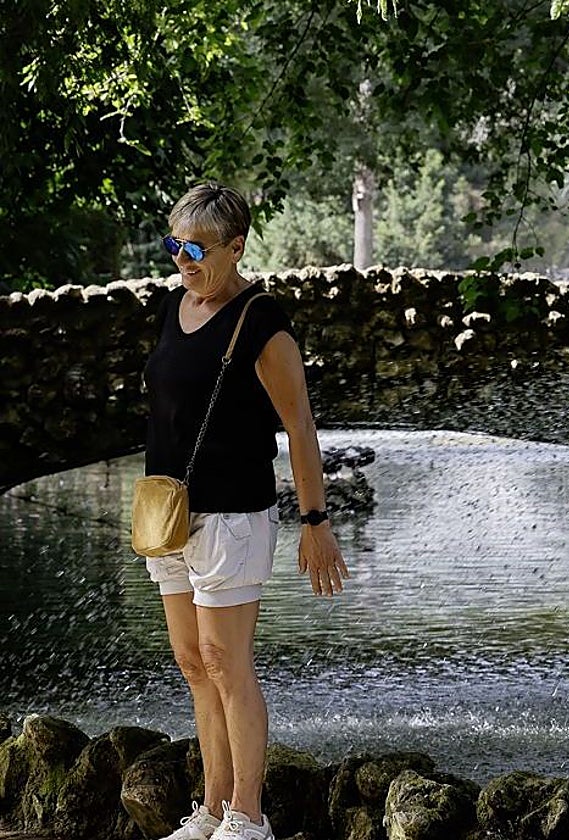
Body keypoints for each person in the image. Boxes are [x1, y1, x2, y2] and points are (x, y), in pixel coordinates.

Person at [140, 182, 350, 840]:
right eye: (175, 244)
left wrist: (315, 523)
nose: (183, 258)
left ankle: (249, 816)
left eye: (197, 247)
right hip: (169, 514)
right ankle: (210, 810)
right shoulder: (175, 307)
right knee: (193, 665)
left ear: (237, 247)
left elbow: (301, 427)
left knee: (226, 663)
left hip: (232, 515)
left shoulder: (262, 321)